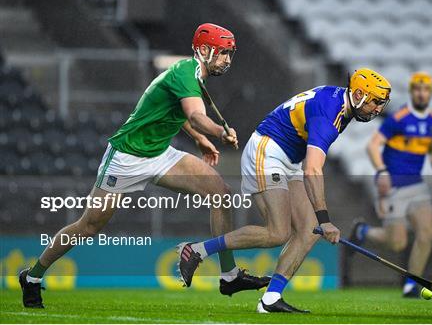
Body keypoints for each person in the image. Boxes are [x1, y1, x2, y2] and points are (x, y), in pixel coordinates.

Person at [19, 23, 270, 309]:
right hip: (127, 156)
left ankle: (229, 276)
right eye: (223, 52)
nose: (227, 59)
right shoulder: (185, 73)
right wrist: (217, 132)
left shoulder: (194, 76)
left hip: (160, 154)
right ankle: (33, 276)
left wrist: (199, 140)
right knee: (88, 226)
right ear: (203, 49)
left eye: (229, 53)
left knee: (220, 193)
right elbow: (196, 115)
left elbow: (182, 116)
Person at [178, 69, 392, 312]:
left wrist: (320, 222)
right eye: (375, 102)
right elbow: (312, 170)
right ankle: (197, 250)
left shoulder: (340, 103)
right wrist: (326, 220)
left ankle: (270, 300)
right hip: (267, 151)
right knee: (277, 232)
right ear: (360, 95)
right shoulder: (329, 114)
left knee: (308, 231)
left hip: (287, 158)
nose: (377, 109)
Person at [350, 71, 432, 298]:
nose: (421, 94)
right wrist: (382, 172)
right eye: (417, 89)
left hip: (417, 185)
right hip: (394, 186)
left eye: (426, 90)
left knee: (426, 233)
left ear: (430, 93)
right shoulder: (398, 119)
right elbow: (372, 146)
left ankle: (411, 284)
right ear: (412, 92)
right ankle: (364, 231)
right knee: (397, 243)